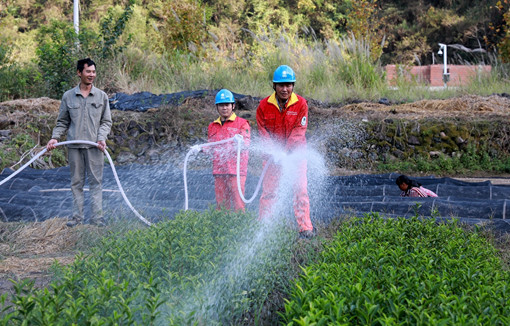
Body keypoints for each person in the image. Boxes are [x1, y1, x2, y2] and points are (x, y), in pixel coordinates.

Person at [46, 58, 112, 227]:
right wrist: (55, 137)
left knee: (96, 183)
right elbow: (62, 122)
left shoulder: (101, 96)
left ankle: (97, 219)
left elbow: (106, 121)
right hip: (74, 147)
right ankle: (77, 219)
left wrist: (101, 137)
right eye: (88, 71)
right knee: (76, 183)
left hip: (94, 147)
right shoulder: (68, 96)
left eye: (94, 72)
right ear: (79, 73)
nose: (92, 75)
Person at [256, 65, 314, 238]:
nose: (285, 89)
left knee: (300, 189)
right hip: (272, 158)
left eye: (288, 85)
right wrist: (274, 152)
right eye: (281, 85)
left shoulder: (301, 104)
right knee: (269, 192)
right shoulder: (264, 106)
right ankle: (265, 226)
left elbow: (298, 131)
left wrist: (285, 152)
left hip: (295, 156)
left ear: (293, 85)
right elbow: (262, 132)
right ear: (274, 86)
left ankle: (305, 227)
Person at [207, 89, 251, 211]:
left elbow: (246, 144)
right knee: (221, 207)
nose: (224, 108)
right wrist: (199, 149)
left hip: (236, 171)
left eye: (227, 105)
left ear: (233, 106)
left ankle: (239, 227)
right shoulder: (212, 126)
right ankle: (222, 228)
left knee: (238, 205)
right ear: (217, 107)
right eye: (221, 105)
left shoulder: (242, 124)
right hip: (219, 171)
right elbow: (211, 146)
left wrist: (240, 141)